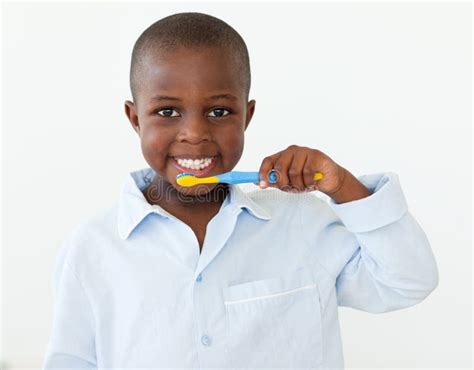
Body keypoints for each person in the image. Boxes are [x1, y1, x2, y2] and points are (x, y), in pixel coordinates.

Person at [43, 12, 439, 369]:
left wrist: (341, 185)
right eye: (167, 112)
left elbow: (407, 281)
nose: (195, 134)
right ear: (134, 118)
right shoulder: (91, 249)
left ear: (247, 116)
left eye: (219, 112)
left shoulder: (301, 222)